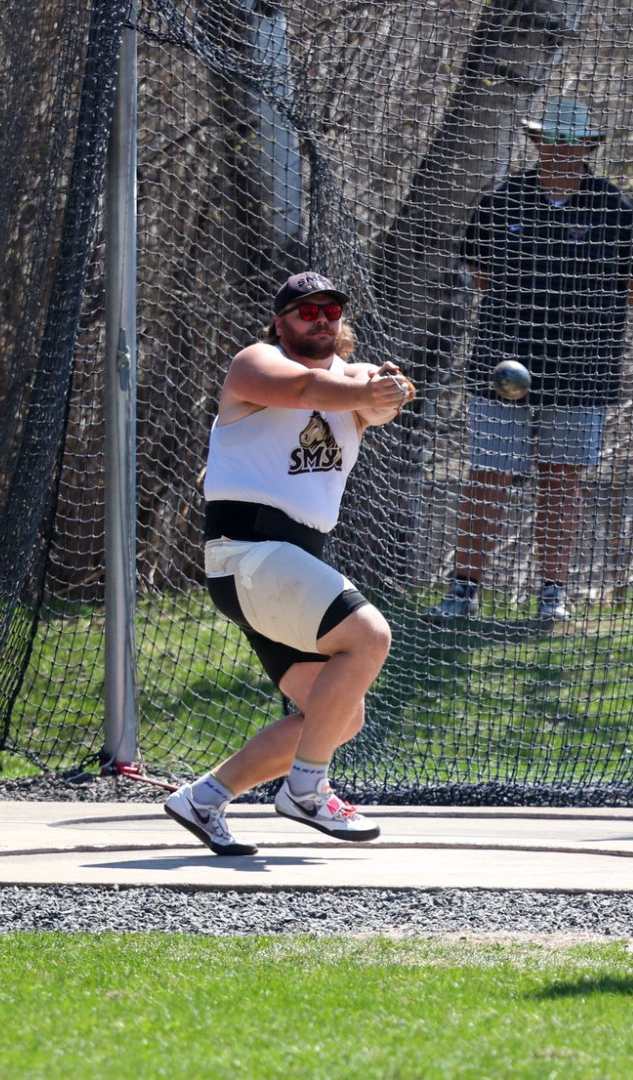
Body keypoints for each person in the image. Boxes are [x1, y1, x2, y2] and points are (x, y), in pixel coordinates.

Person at [164, 271, 415, 856]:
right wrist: (367, 394)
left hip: (287, 569)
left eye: (331, 310)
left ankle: (203, 798)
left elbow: (371, 394)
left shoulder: (352, 380)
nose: (321, 319)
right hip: (249, 554)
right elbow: (306, 392)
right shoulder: (254, 362)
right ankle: (306, 789)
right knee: (370, 635)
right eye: (306, 312)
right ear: (280, 323)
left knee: (337, 715)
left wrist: (388, 391)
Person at [428, 97, 633, 622]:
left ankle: (551, 594)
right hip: (503, 363)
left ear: (588, 148)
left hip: (582, 368)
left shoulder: (616, 210)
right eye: (552, 140)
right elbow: (479, 273)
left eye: (573, 142)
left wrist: (575, 325)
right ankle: (463, 591)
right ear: (536, 142)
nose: (561, 150)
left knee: (562, 479)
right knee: (489, 473)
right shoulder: (503, 200)